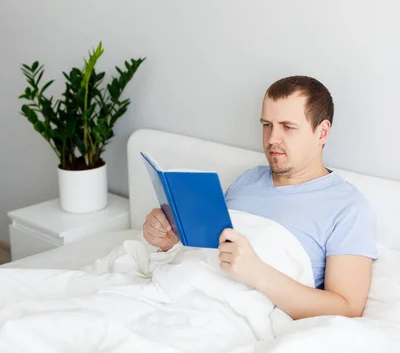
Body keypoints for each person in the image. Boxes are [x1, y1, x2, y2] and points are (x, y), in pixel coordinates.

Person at [143, 76, 377, 320]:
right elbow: (211, 250)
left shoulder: (346, 206)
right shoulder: (248, 179)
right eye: (267, 125)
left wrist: (258, 273)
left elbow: (347, 308)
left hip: (227, 316)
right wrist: (168, 240)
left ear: (322, 132)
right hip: (175, 294)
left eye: (288, 127)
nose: (272, 139)